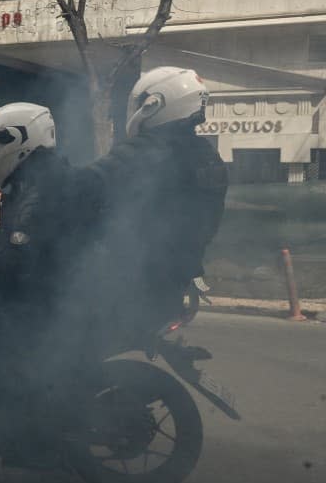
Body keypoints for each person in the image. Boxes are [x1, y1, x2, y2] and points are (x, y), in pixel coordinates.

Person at [76, 66, 228, 341]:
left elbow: (85, 186)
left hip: (129, 280)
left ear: (154, 103)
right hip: (176, 275)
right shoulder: (207, 154)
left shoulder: (145, 151)